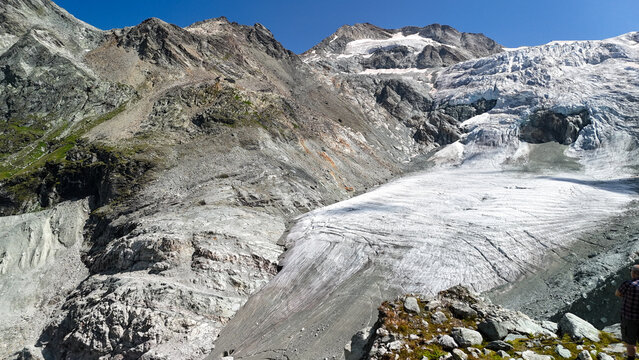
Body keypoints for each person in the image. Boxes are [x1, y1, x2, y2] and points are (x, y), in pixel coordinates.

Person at [616, 264, 639, 360]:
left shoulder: (628, 284)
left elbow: (617, 293)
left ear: (633, 273)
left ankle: (631, 358)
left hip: (629, 318)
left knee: (630, 342)